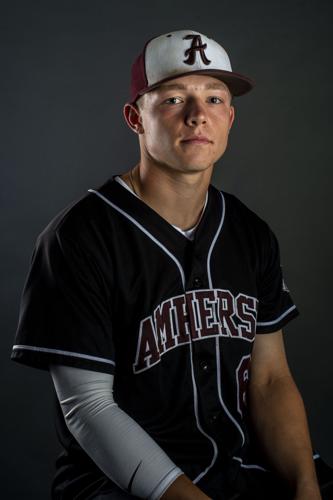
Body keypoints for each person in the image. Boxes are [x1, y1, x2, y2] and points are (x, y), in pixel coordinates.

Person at [11, 29, 333, 500]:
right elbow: (89, 409)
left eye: (214, 98)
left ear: (231, 118)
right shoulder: (78, 238)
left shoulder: (249, 231)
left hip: (236, 467)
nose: (198, 115)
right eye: (173, 98)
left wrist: (307, 490)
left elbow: (269, 380)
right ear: (134, 118)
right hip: (117, 484)